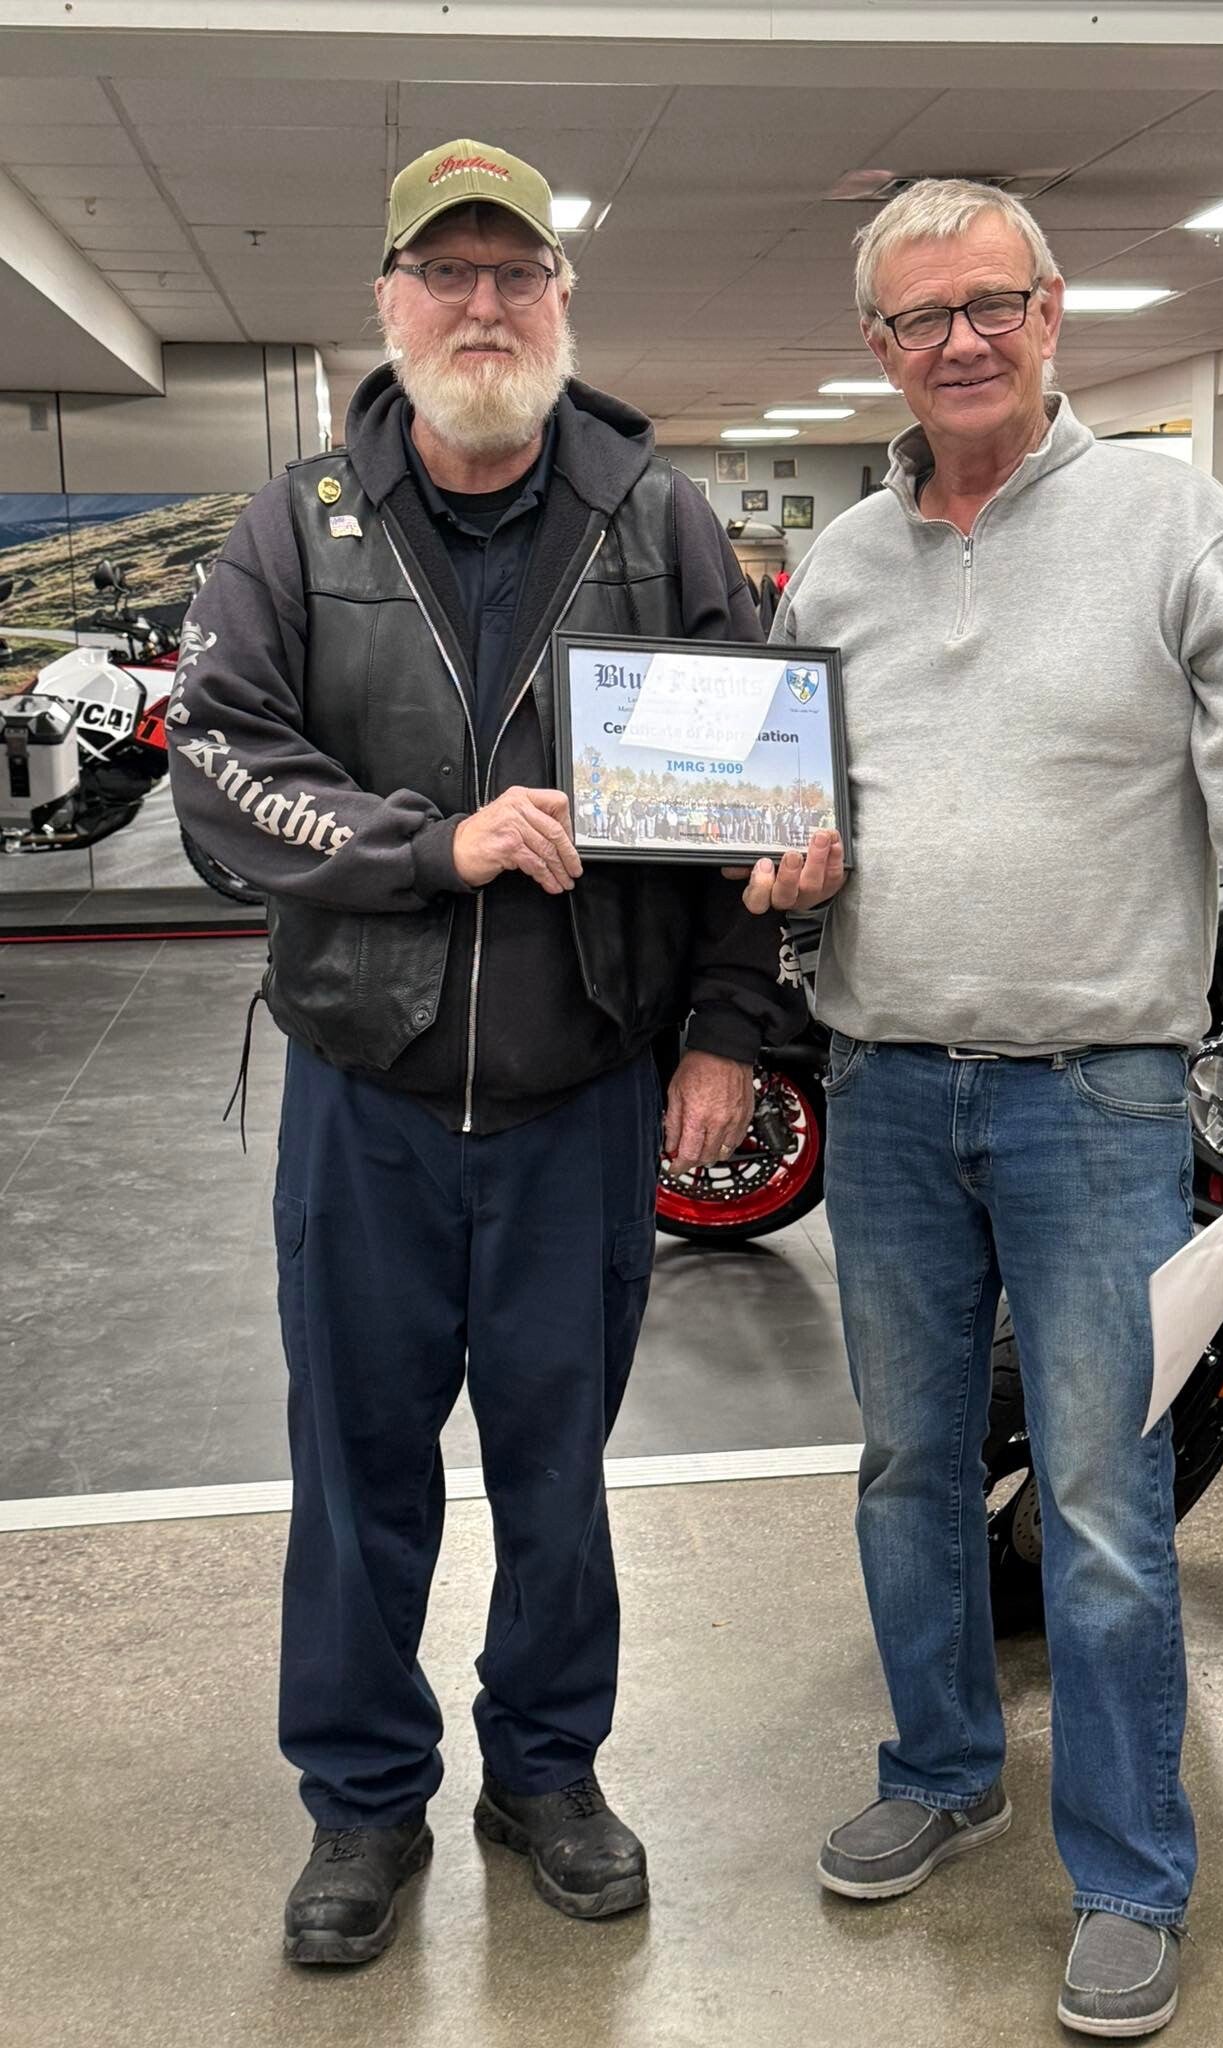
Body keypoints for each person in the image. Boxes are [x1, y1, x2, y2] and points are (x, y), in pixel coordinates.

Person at [743, 178, 1223, 2040]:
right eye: (918, 316)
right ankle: (942, 1773)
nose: (958, 341)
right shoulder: (838, 566)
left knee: (1101, 1499)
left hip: (1095, 1098)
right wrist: (787, 887)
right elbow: (796, 819)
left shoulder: (1177, 523)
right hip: (880, 1085)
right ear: (878, 345)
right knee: (911, 1468)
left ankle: (1127, 1870)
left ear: (1051, 311)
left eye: (989, 304)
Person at [167, 138, 795, 1967]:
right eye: (445, 273)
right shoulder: (295, 526)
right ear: (389, 301)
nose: (483, 305)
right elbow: (223, 770)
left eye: (516, 273)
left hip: (581, 1090)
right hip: (365, 1093)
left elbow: (744, 812)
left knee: (558, 1469)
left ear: (561, 300)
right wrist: (432, 846)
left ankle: (547, 1771)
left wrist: (728, 1028)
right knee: (356, 1472)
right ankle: (364, 1801)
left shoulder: (656, 520)